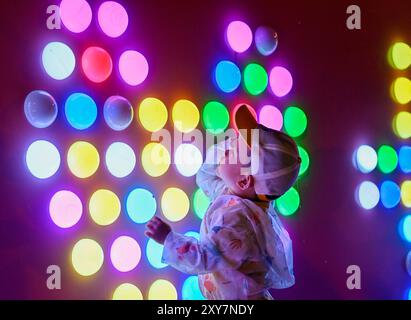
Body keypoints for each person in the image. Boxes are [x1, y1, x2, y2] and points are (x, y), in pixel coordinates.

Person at [145, 104, 301, 300]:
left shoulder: (236, 220)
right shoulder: (244, 197)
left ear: (244, 181)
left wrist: (169, 239)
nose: (225, 149)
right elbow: (206, 177)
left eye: (232, 150)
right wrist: (232, 152)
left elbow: (204, 258)